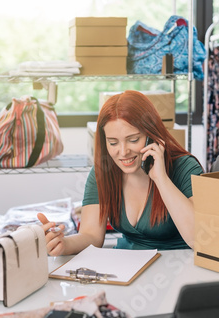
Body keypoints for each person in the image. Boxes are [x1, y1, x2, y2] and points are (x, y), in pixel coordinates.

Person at [38, 90, 203, 255]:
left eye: (133, 140)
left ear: (151, 135)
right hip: (129, 268)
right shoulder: (104, 171)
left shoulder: (185, 167)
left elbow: (200, 240)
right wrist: (63, 243)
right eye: (113, 142)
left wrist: (161, 179)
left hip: (177, 268)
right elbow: (92, 235)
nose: (123, 152)